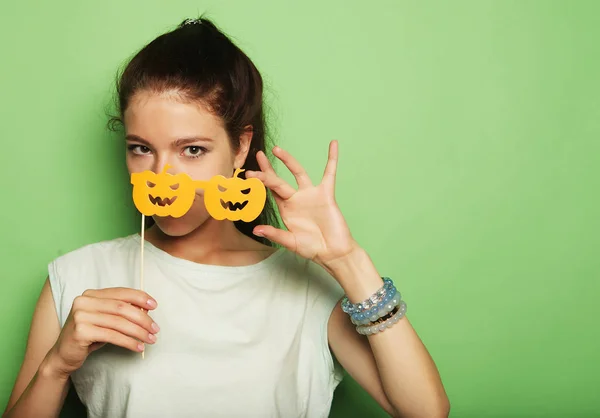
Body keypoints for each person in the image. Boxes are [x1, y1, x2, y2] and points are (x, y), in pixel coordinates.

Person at [3, 16, 449, 418]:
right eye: (142, 148)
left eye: (191, 150)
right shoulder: (76, 278)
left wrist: (348, 260)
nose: (163, 178)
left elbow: (426, 411)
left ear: (239, 147)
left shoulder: (307, 286)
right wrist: (56, 367)